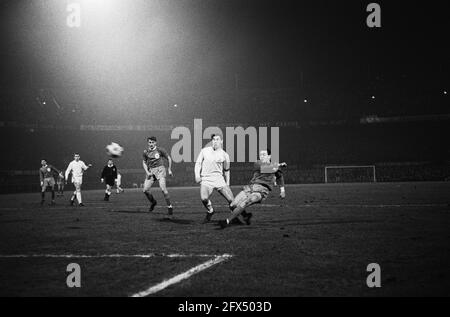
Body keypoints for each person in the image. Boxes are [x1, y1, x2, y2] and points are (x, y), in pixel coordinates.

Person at [218, 149, 287, 229]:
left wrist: (282, 190)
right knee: (233, 205)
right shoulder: (258, 163)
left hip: (262, 190)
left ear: (269, 156)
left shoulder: (275, 166)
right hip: (250, 188)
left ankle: (227, 221)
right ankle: (246, 216)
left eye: (264, 154)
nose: (261, 156)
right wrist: (280, 165)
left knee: (246, 201)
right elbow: (268, 169)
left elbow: (280, 177)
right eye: (260, 155)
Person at [195, 134, 235, 223]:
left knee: (232, 201)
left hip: (219, 180)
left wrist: (227, 183)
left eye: (217, 139)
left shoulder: (225, 155)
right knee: (204, 199)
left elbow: (227, 170)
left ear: (221, 141)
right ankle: (210, 211)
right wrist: (197, 175)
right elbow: (198, 163)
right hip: (206, 179)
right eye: (213, 139)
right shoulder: (204, 151)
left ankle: (234, 217)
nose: (215, 141)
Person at [142, 136, 173, 216]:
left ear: (155, 143)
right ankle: (153, 202)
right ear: (147, 143)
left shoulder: (160, 150)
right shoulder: (145, 152)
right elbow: (144, 162)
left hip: (160, 170)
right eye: (149, 142)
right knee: (145, 190)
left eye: (152, 142)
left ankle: (169, 206)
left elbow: (169, 158)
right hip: (151, 171)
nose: (151, 144)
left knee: (163, 189)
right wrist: (147, 172)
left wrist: (169, 169)